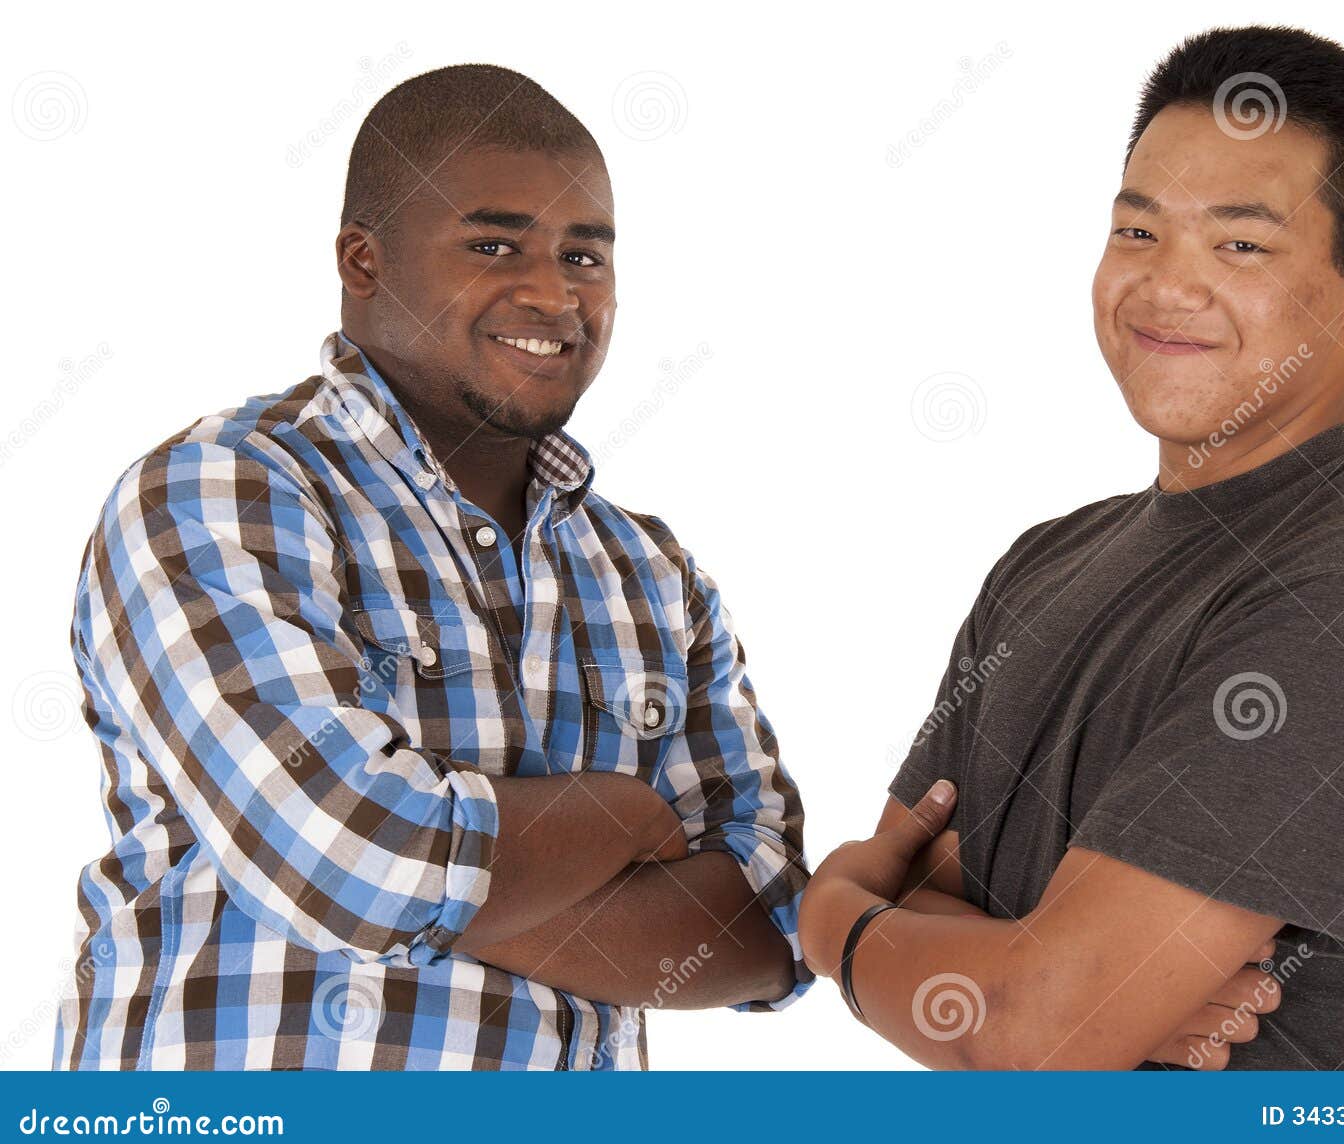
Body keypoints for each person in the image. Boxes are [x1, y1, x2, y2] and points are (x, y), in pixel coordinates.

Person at [55, 64, 808, 1071]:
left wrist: (424, 865)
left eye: (584, 254)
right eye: (493, 245)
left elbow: (771, 926)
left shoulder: (655, 576)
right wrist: (624, 818)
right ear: (363, 262)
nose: (552, 291)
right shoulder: (219, 494)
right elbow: (350, 861)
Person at [799, 25, 1344, 1070]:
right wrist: (989, 967)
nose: (1165, 288)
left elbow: (1021, 1027)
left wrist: (835, 926)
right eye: (1138, 233)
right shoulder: (1045, 564)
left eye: (1239, 245)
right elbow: (951, 944)